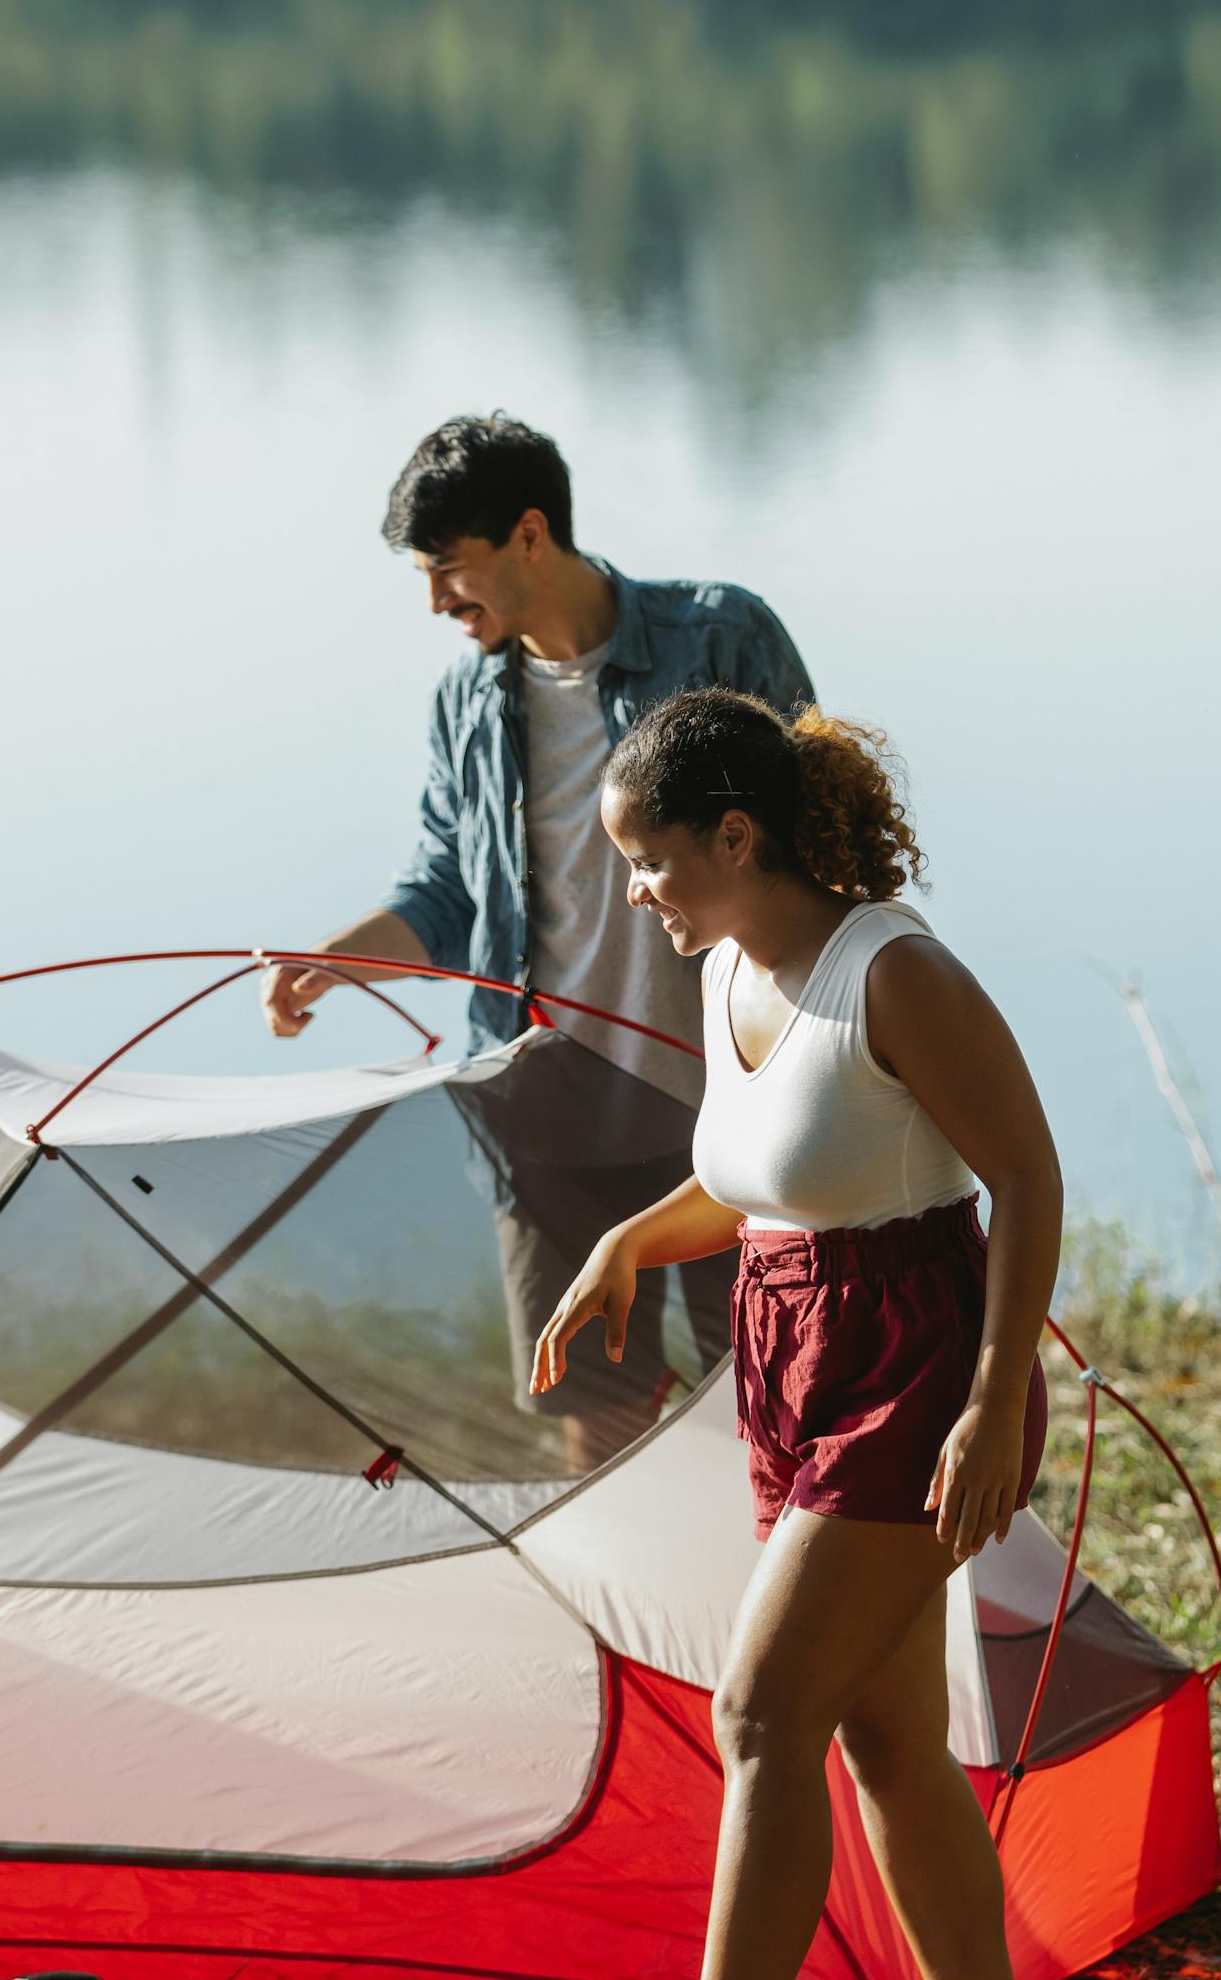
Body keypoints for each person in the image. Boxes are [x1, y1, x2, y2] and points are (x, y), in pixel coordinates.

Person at [517, 686, 1068, 1980]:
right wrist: (639, 1233)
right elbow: (773, 1174)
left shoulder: (893, 971)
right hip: (787, 1350)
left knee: (760, 1713)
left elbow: (1023, 1174)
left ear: (736, 834)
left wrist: (997, 1396)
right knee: (887, 1738)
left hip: (907, 1358)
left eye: (651, 859)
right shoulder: (733, 969)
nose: (637, 890)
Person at [263, 413, 814, 1471]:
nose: (437, 603)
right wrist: (333, 963)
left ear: (528, 534)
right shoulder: (467, 701)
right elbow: (440, 894)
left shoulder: (720, 640)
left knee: (764, 1406)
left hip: (725, 1107)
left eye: (450, 571)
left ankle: (768, 1622)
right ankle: (634, 1634)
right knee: (595, 1421)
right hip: (546, 1117)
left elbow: (818, 831)